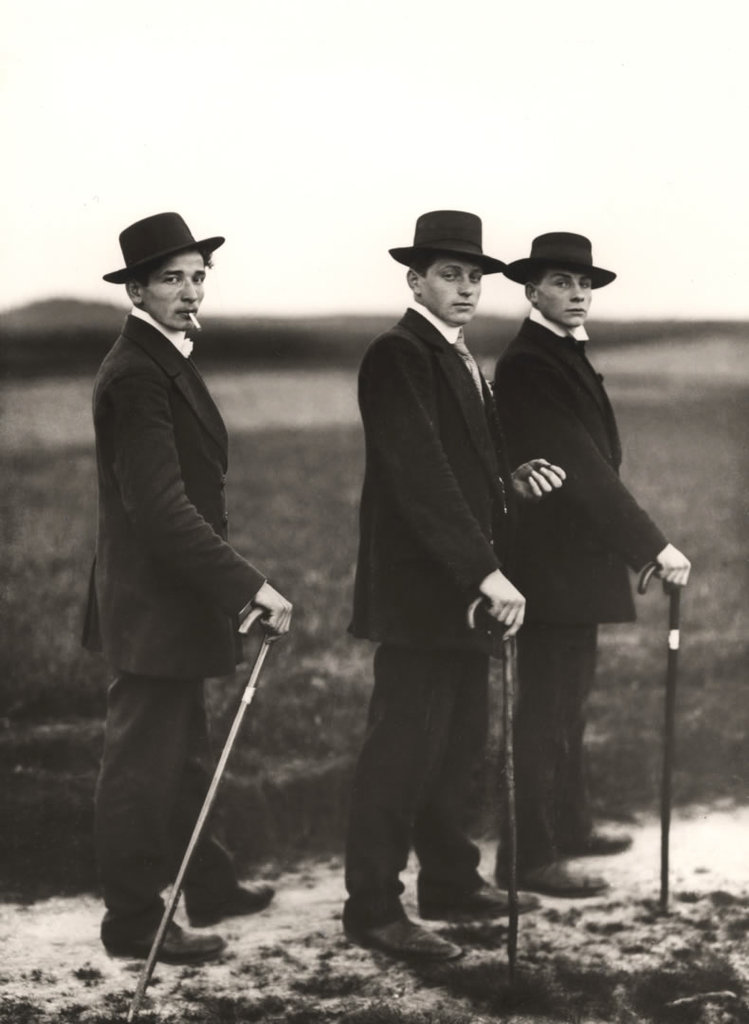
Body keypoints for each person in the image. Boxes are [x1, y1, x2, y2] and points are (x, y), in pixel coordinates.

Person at [344, 210, 565, 962]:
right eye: (449, 274)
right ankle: (372, 907)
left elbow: (461, 468)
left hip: (462, 591)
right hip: (420, 593)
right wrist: (484, 569)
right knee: (400, 749)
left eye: (473, 275)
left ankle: (449, 880)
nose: (466, 287)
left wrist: (508, 480)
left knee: (459, 744)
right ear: (415, 279)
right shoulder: (397, 354)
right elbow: (420, 477)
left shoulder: (458, 355)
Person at [82, 212, 292, 963]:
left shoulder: (162, 356)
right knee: (141, 769)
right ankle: (133, 924)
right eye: (172, 278)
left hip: (171, 600)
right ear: (136, 288)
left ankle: (207, 883)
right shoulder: (137, 371)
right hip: (152, 602)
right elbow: (162, 508)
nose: (190, 290)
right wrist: (248, 587)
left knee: (186, 754)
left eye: (198, 276)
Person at [493, 231, 691, 897]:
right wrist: (651, 546)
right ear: (531, 290)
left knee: (568, 705)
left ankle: (570, 825)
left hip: (574, 562)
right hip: (548, 565)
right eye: (560, 282)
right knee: (545, 710)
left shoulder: (559, 353)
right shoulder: (529, 363)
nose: (576, 293)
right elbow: (579, 466)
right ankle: (528, 855)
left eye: (583, 284)